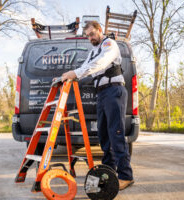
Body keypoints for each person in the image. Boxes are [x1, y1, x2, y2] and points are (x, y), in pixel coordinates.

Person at [60, 21, 134, 190]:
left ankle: (126, 176)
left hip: (114, 91)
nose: (90, 38)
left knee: (116, 134)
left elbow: (100, 64)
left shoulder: (109, 44)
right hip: (101, 94)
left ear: (100, 30)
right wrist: (66, 76)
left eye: (92, 34)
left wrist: (76, 73)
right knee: (104, 137)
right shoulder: (93, 51)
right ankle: (109, 172)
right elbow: (85, 67)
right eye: (87, 36)